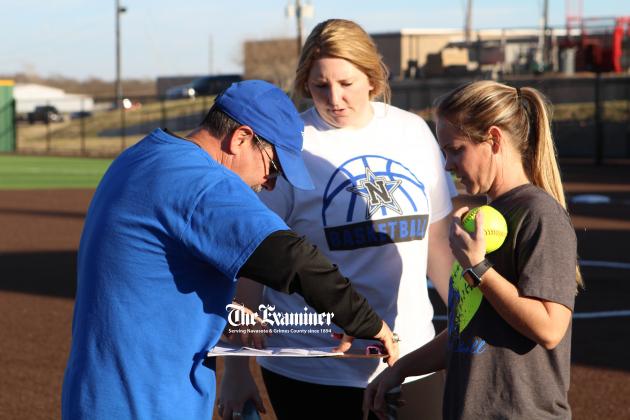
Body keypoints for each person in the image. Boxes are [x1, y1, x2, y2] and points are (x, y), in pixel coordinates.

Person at [61, 80, 400, 420]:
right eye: (274, 167)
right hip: (144, 403)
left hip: (101, 394)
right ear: (240, 138)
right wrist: (366, 323)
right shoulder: (201, 181)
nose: (269, 183)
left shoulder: (146, 155)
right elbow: (295, 260)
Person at [219, 20, 456, 420]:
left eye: (346, 83)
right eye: (320, 86)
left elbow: (436, 243)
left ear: (372, 77)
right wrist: (237, 369)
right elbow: (255, 262)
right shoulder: (290, 144)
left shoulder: (413, 133)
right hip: (311, 368)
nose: (335, 98)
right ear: (305, 85)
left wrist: (467, 326)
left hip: (412, 360)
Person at [364, 80, 582, 420]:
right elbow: (468, 328)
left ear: (494, 139)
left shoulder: (538, 214)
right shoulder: (484, 214)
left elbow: (550, 329)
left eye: (456, 149)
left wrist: (478, 268)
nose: (448, 164)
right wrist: (401, 368)